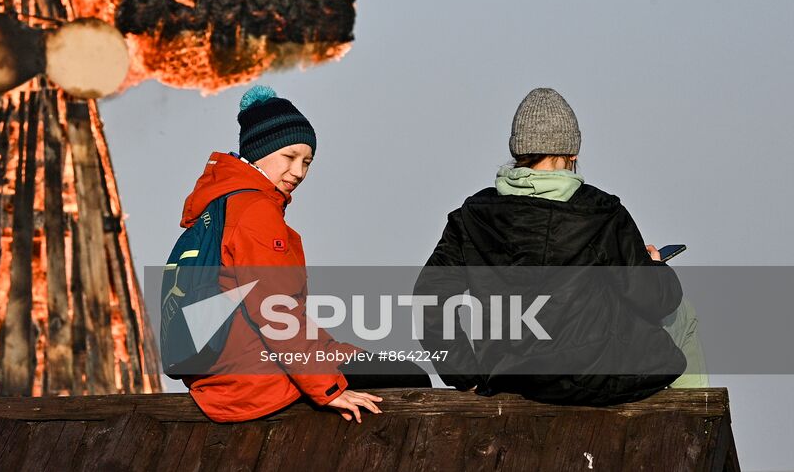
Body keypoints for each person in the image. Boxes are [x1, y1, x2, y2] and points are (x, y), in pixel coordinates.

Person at [415, 87, 705, 406]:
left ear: (518, 152)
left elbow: (431, 297)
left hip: (509, 375)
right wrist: (654, 267)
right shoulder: (601, 213)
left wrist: (465, 375)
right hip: (595, 376)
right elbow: (655, 301)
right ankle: (695, 421)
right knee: (682, 313)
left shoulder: (471, 216)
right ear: (573, 153)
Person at [178, 85, 429, 424]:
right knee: (410, 380)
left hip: (224, 373)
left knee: (386, 369)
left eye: (307, 161)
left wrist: (337, 352)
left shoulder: (223, 205)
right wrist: (330, 388)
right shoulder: (255, 212)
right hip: (252, 380)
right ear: (259, 151)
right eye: (289, 156)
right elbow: (275, 313)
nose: (298, 172)